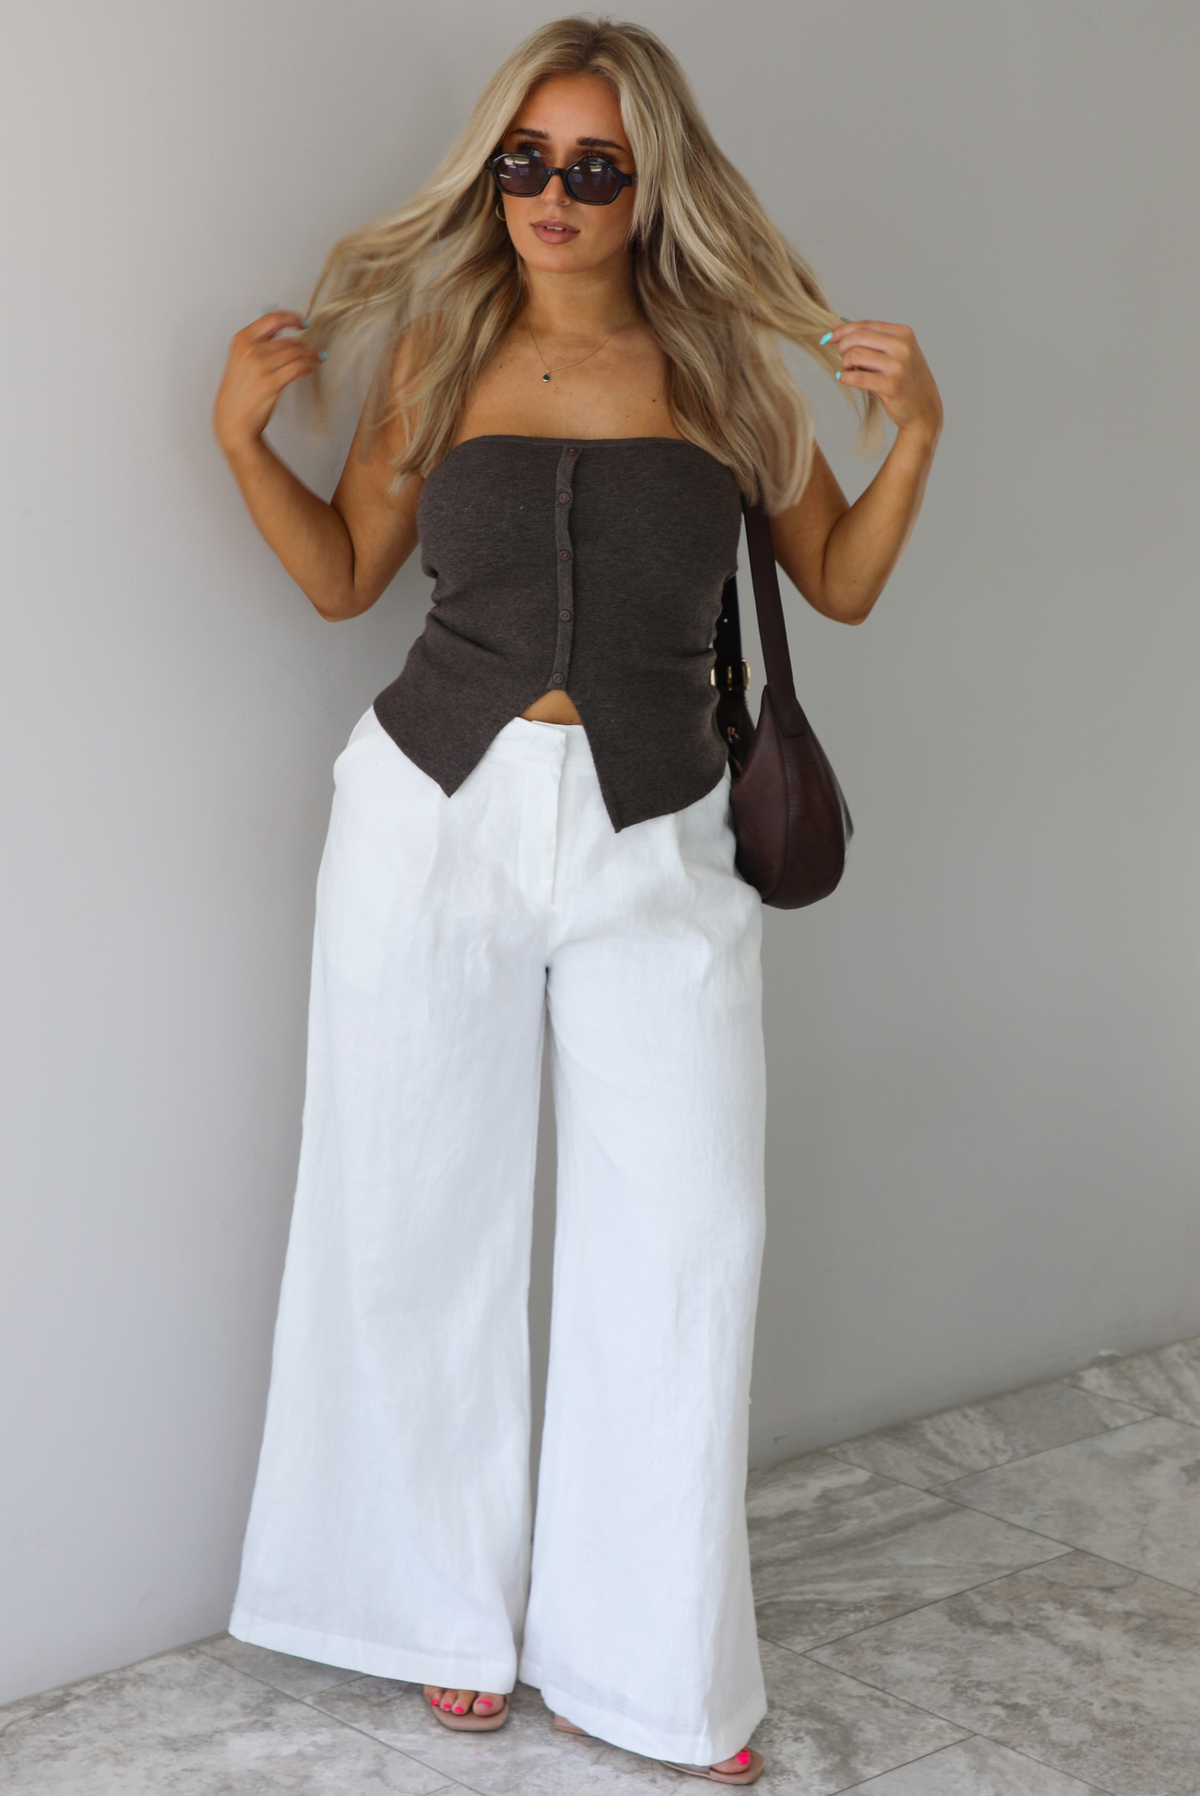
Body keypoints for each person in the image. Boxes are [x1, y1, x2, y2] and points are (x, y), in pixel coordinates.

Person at [212, 16, 941, 1786]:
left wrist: (915, 429)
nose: (551, 195)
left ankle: (653, 1673)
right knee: (405, 1217)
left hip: (663, 835)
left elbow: (835, 581)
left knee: (682, 1247)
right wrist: (241, 441)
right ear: (494, 175)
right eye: (524, 162)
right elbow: (341, 581)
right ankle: (429, 1613)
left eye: (594, 167)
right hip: (428, 823)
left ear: (648, 186)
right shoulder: (436, 355)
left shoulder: (728, 380)